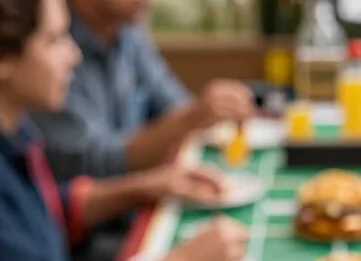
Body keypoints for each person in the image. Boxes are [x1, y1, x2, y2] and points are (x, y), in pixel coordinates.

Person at [0, 0, 247, 261]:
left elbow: (43, 212)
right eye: (55, 40)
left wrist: (144, 187)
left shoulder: (16, 129)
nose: (72, 53)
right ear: (6, 59)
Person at [30, 0, 254, 181]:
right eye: (55, 40)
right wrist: (189, 118)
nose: (71, 54)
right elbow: (95, 164)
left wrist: (200, 113)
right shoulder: (46, 58)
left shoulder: (127, 32)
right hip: (102, 227)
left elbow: (173, 103)